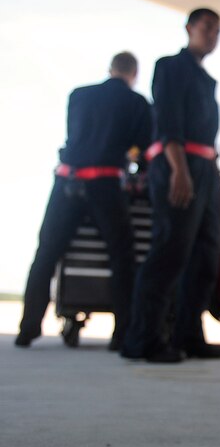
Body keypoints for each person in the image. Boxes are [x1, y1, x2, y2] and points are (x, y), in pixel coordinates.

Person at [17, 52, 152, 350]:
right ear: (134, 74)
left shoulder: (79, 95)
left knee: (47, 254)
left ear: (111, 68)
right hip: (106, 184)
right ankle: (122, 332)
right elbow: (143, 150)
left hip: (68, 180)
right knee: (122, 256)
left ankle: (27, 329)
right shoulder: (137, 104)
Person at [123, 8, 220, 363]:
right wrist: (179, 171)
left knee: (206, 254)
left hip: (205, 170)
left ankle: (188, 335)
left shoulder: (205, 80)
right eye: (207, 28)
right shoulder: (170, 67)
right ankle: (144, 339)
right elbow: (168, 123)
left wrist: (217, 187)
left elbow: (209, 140)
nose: (213, 35)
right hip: (176, 164)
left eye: (218, 30)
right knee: (170, 252)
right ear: (189, 28)